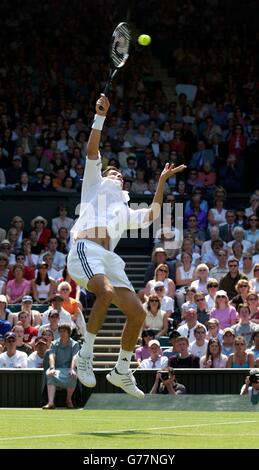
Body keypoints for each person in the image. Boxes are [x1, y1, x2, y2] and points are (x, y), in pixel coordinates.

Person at [67, 94, 186, 398]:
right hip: (85, 250)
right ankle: (85, 356)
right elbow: (92, 150)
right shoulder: (94, 185)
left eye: (120, 175)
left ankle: (121, 369)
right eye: (113, 172)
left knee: (138, 314)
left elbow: (152, 215)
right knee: (104, 292)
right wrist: (99, 116)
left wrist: (161, 182)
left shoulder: (124, 209)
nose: (117, 175)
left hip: (108, 259)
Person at [42, 323, 79, 409]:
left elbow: (75, 357)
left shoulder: (75, 344)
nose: (62, 333)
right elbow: (52, 356)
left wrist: (72, 369)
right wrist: (52, 368)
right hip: (57, 368)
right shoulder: (54, 343)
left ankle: (69, 400)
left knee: (73, 375)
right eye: (61, 331)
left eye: (64, 331)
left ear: (69, 332)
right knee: (49, 374)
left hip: (69, 368)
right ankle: (50, 402)